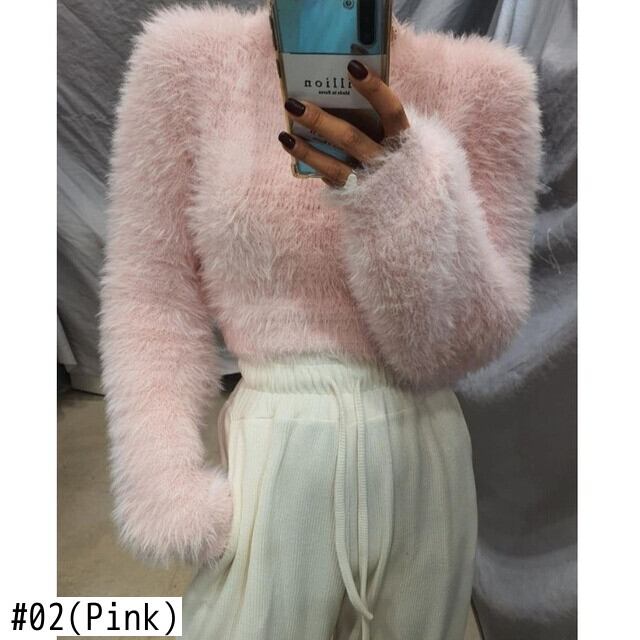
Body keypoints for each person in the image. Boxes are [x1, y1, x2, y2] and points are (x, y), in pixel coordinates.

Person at [98, 3, 542, 639]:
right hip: (271, 456)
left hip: (422, 463)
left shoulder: (486, 83)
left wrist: (402, 187)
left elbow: (475, 336)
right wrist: (158, 474)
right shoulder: (187, 63)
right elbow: (151, 288)